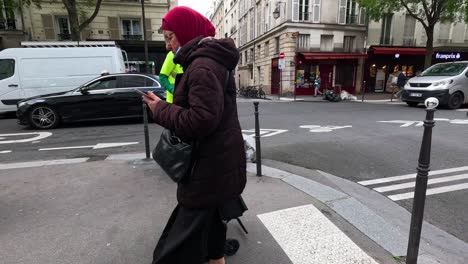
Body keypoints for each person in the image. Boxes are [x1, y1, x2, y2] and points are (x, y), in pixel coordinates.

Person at [142, 6, 246, 264]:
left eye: (170, 37)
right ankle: (216, 258)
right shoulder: (205, 62)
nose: (167, 46)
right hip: (216, 160)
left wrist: (160, 109)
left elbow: (201, 120)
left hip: (207, 166)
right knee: (211, 220)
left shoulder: (202, 67)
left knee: (180, 240)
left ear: (186, 33)